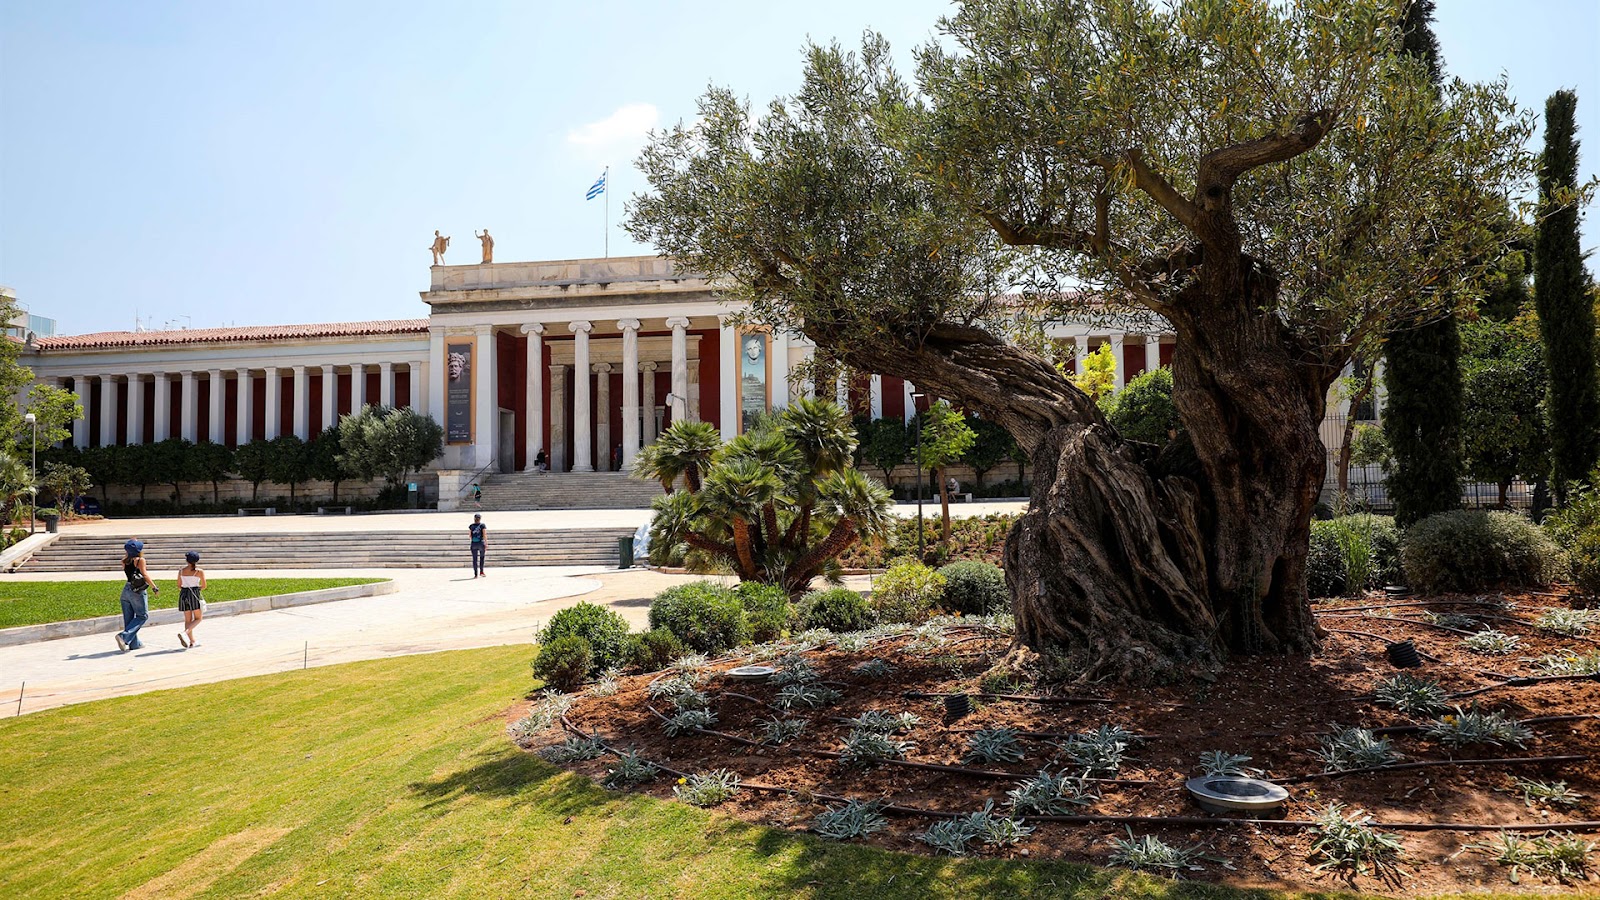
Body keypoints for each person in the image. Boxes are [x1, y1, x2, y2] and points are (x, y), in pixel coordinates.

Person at [115, 539, 158, 652]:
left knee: (128, 619)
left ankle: (134, 644)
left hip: (126, 590)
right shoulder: (140, 560)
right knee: (142, 616)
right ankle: (124, 636)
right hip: (137, 591)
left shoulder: (124, 561)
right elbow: (144, 575)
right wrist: (154, 587)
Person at [177, 551, 207, 648]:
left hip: (183, 594)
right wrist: (197, 589)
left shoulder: (181, 571)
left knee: (188, 620)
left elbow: (179, 585)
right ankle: (185, 633)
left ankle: (192, 641)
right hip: (194, 593)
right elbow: (204, 585)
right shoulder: (199, 571)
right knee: (198, 618)